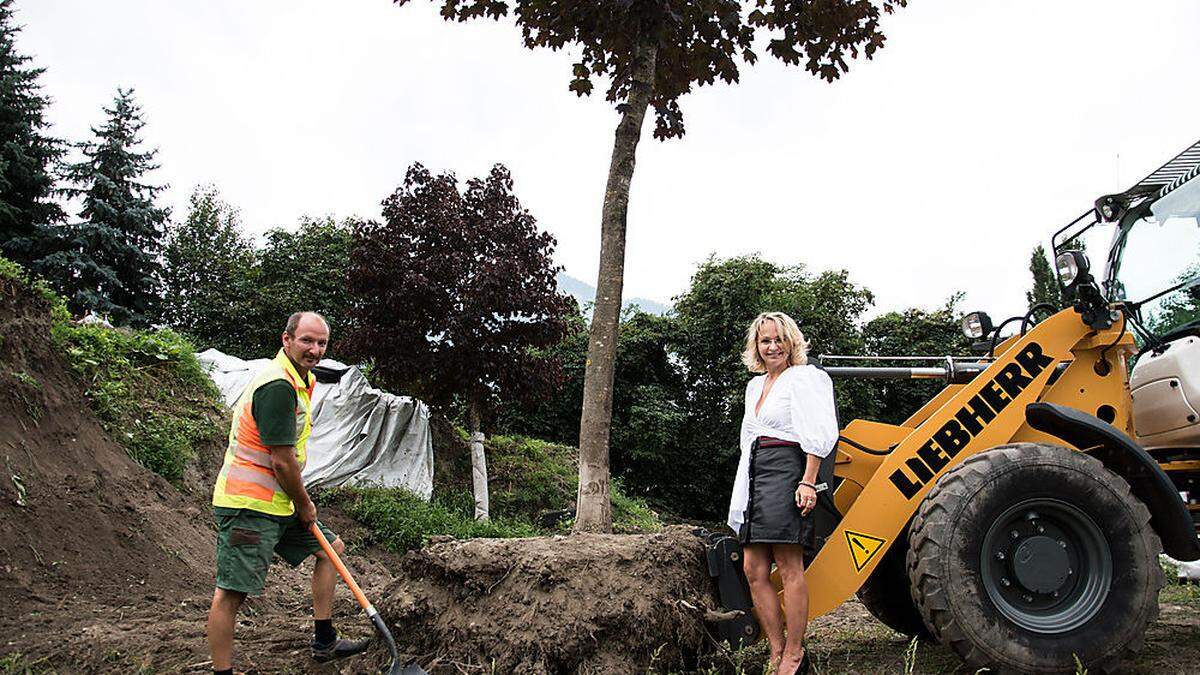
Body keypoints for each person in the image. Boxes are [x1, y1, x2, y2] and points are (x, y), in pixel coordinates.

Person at [206, 312, 368, 674]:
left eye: (321, 343)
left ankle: (325, 640)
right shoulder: (278, 386)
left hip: (277, 500)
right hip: (249, 505)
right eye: (307, 341)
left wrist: (295, 502)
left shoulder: (301, 380)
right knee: (232, 592)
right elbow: (282, 461)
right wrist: (304, 504)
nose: (314, 349)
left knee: (332, 551)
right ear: (287, 340)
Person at [727, 311, 838, 675]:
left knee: (789, 565)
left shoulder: (805, 378)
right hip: (755, 471)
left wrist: (808, 480)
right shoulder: (754, 386)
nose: (772, 346)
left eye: (778, 339)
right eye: (765, 341)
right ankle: (776, 651)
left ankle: (794, 653)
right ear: (756, 347)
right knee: (752, 567)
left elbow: (818, 432)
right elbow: (748, 438)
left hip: (787, 468)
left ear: (791, 342)